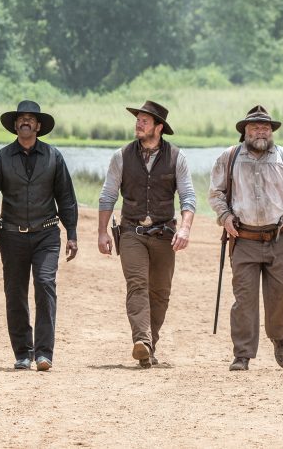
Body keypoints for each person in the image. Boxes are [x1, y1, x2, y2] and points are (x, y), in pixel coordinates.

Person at [208, 105, 283, 372]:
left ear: (271, 131)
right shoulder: (229, 158)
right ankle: (242, 354)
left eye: (265, 127)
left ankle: (279, 339)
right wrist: (225, 216)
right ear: (244, 131)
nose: (260, 132)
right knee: (244, 299)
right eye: (254, 127)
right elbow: (215, 193)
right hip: (243, 239)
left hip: (279, 238)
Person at [0, 100, 79, 371]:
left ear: (38, 125)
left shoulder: (53, 157)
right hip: (11, 236)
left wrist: (71, 233)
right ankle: (23, 352)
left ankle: (44, 353)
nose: (25, 122)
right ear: (15, 125)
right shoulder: (1, 158)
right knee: (15, 293)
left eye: (30, 119)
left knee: (45, 286)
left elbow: (66, 199)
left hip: (46, 234)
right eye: (20, 118)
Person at [97, 100, 195, 368]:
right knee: (137, 284)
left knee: (161, 292)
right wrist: (102, 232)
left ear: (159, 127)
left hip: (165, 234)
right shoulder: (121, 156)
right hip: (131, 232)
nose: (138, 124)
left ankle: (150, 345)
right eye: (137, 120)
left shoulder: (177, 157)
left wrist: (185, 227)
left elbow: (188, 197)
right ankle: (142, 341)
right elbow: (107, 195)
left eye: (144, 121)